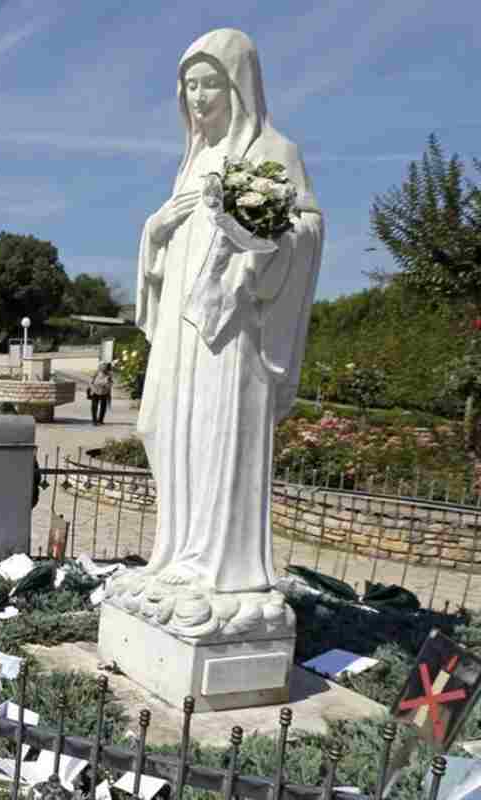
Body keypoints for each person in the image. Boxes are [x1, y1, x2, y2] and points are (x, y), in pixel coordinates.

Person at [134, 29, 323, 592]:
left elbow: (306, 227)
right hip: (179, 328)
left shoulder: (274, 152)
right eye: (189, 85)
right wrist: (155, 228)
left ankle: (218, 569)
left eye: (209, 83)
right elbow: (169, 248)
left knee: (217, 436)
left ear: (237, 85)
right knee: (159, 425)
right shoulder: (191, 162)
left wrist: (258, 239)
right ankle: (175, 555)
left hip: (233, 327)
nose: (197, 97)